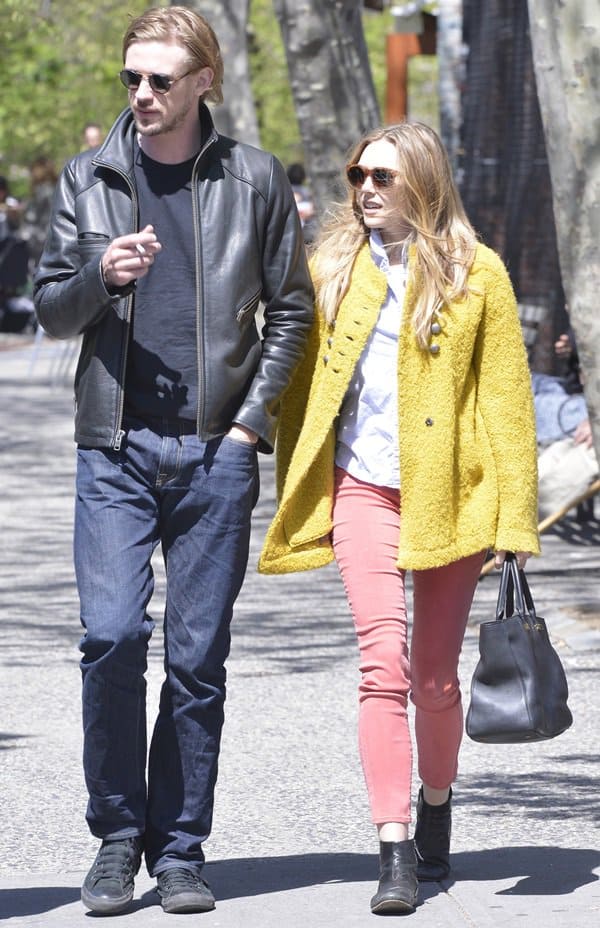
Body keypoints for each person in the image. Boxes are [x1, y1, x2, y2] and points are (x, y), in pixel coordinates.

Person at [34, 6, 312, 917]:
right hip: (113, 448)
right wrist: (99, 278)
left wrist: (246, 431)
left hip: (212, 454)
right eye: (131, 80)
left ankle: (181, 850)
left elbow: (293, 313)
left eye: (160, 79)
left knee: (198, 660)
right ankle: (118, 838)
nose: (142, 95)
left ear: (204, 81)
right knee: (111, 640)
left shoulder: (256, 179)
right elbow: (50, 310)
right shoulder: (88, 178)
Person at [259, 122, 540, 915]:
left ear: (422, 181)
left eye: (382, 174)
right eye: (357, 176)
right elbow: (293, 367)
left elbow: (508, 405)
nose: (366, 188)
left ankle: (438, 804)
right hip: (362, 488)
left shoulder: (476, 272)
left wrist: (515, 523)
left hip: (452, 493)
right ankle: (394, 845)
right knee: (383, 667)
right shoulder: (333, 268)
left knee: (434, 679)